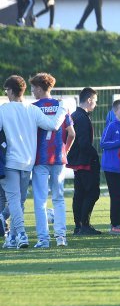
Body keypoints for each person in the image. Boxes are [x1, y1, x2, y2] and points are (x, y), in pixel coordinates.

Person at [0, 75, 68, 249]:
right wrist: (62, 108)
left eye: (6, 90)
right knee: (21, 201)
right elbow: (54, 126)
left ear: (10, 91)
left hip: (12, 161)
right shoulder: (32, 110)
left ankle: (24, 235)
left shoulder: (4, 109)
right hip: (29, 161)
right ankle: (13, 237)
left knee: (16, 200)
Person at [28, 73, 74, 248]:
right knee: (59, 198)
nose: (32, 91)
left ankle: (43, 239)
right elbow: (72, 133)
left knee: (40, 200)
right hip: (58, 157)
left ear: (39, 88)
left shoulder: (33, 108)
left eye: (33, 88)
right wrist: (65, 150)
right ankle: (61, 237)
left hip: (40, 158)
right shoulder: (61, 106)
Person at [67, 87, 101, 235]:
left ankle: (78, 226)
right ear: (89, 100)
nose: (96, 104)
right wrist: (95, 155)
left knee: (80, 193)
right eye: (95, 101)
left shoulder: (75, 115)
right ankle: (84, 225)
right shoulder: (82, 117)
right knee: (92, 192)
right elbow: (84, 143)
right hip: (85, 161)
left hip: (77, 161)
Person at [100, 99, 120, 234]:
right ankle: (115, 224)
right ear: (115, 111)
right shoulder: (112, 126)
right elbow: (103, 143)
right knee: (116, 195)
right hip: (112, 166)